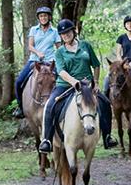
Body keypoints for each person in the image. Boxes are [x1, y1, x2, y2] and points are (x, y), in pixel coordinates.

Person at [39, 19, 116, 152]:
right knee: (50, 105)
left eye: (67, 32)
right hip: (65, 85)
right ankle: (47, 140)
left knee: (105, 102)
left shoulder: (85, 45)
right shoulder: (59, 52)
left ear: (73, 31)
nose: (65, 35)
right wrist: (73, 81)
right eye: (62, 34)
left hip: (87, 84)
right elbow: (61, 71)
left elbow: (96, 65)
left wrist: (96, 82)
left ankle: (108, 136)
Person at [12, 7, 58, 119]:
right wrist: (38, 53)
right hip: (35, 60)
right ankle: (20, 108)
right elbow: (30, 46)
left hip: (50, 62)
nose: (43, 18)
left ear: (49, 17)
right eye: (41, 16)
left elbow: (59, 48)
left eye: (45, 16)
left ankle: (61, 107)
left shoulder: (55, 31)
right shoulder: (34, 30)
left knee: (60, 81)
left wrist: (56, 59)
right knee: (18, 82)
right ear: (38, 18)